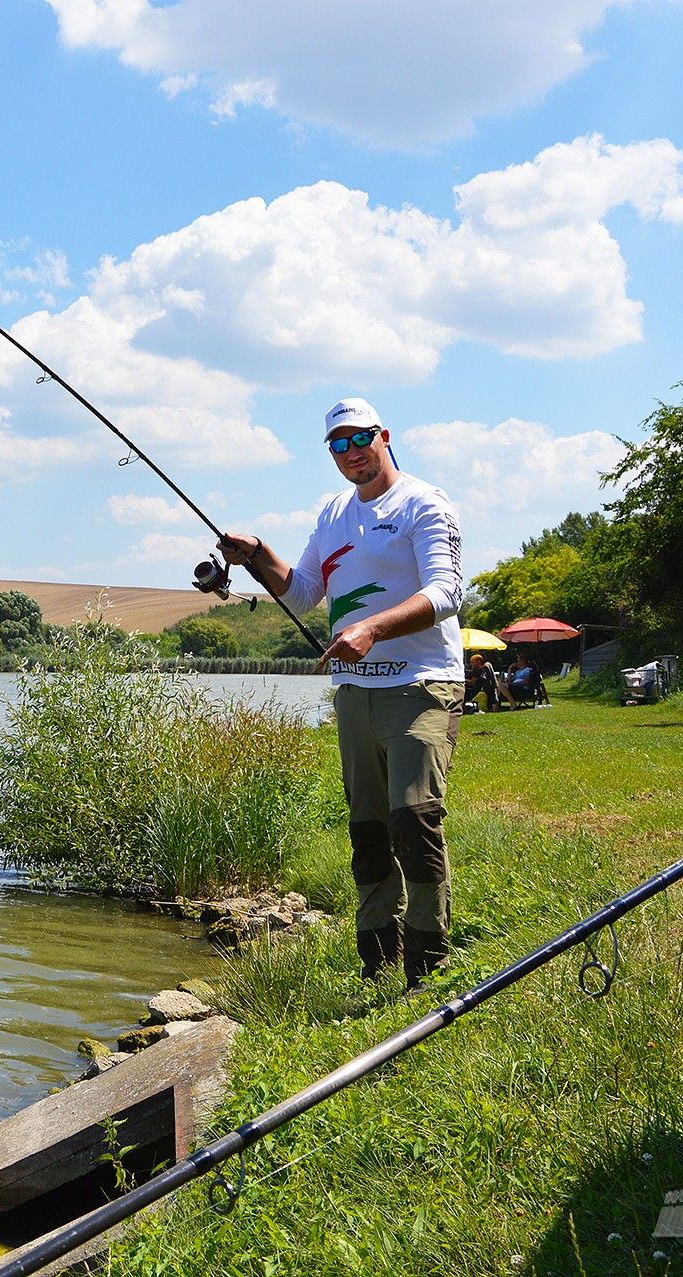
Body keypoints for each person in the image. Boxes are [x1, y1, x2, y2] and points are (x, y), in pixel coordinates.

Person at [218, 398, 465, 987]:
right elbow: (302, 593)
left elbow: (448, 591)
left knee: (414, 817)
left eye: (359, 440)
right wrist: (256, 556)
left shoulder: (423, 503)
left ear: (383, 436)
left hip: (421, 684)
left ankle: (427, 966)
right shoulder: (332, 514)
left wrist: (372, 628)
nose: (350, 453)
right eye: (337, 445)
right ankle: (378, 962)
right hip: (354, 693)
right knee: (369, 828)